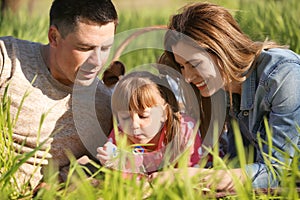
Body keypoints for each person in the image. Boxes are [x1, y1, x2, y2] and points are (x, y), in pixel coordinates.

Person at [153, 2, 300, 191]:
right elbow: (241, 160)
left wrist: (201, 176)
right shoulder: (225, 88)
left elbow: (277, 172)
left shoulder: (283, 77)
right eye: (182, 66)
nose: (187, 77)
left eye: (195, 63)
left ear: (221, 50)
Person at [0, 0, 118, 189]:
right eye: (85, 48)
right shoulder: (7, 60)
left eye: (105, 48)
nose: (97, 61)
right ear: (54, 37)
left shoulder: (104, 107)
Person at [97, 70, 202, 176]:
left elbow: (190, 177)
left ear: (164, 113)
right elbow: (120, 183)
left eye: (143, 116)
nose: (134, 125)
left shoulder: (184, 131)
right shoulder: (120, 135)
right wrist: (113, 166)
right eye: (125, 118)